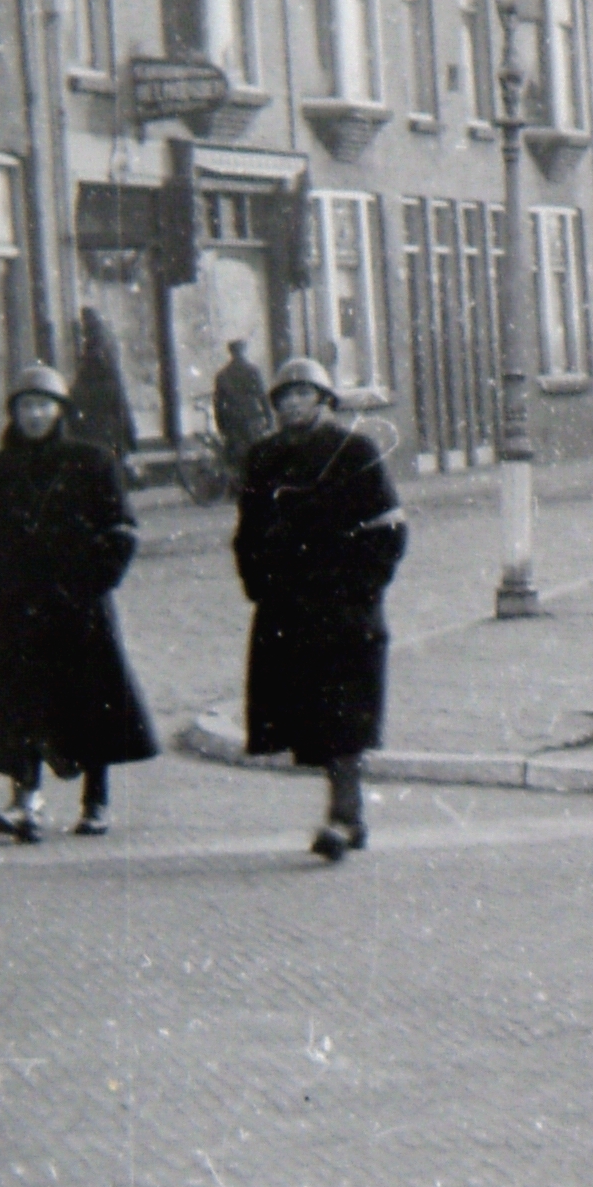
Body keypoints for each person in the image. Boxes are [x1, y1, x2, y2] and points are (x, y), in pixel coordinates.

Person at [234, 357, 408, 860]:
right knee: (309, 716)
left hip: (345, 605)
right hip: (288, 607)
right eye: (284, 397)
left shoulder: (355, 451)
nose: (292, 404)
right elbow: (248, 530)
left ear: (325, 400)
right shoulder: (263, 457)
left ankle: (343, 816)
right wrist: (258, 583)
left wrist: (362, 587)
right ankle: (349, 816)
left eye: (303, 394)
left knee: (345, 715)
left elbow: (390, 528)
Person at [0, 363, 157, 840]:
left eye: (43, 405)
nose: (34, 415)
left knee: (91, 698)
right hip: (18, 607)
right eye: (25, 406)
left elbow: (121, 529)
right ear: (14, 413)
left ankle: (96, 802)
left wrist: (93, 580)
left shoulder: (92, 460)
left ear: (60, 410)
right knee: (17, 701)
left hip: (80, 605)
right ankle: (26, 805)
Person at [65, 306, 137, 467]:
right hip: (107, 434)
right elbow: (120, 405)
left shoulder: (83, 370)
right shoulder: (106, 363)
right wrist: (131, 437)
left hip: (90, 432)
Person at [212, 337, 274, 483]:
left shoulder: (222, 375)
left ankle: (241, 482)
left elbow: (218, 403)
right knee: (254, 451)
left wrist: (220, 424)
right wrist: (269, 417)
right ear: (244, 351)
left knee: (237, 454)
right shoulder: (253, 371)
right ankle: (254, 481)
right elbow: (262, 395)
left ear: (230, 352)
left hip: (232, 418)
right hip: (252, 416)